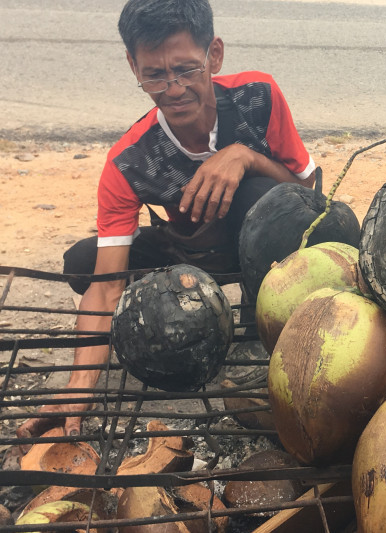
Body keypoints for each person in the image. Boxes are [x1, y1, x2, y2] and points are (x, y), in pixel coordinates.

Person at [17, 0, 315, 440]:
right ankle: (169, 324)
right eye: (154, 74)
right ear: (133, 66)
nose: (173, 89)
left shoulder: (258, 97)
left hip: (262, 251)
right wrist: (78, 388)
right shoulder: (130, 160)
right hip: (189, 256)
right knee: (84, 260)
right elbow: (106, 287)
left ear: (214, 55)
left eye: (186, 69)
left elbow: (308, 196)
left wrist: (246, 157)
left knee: (264, 193)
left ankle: (258, 328)